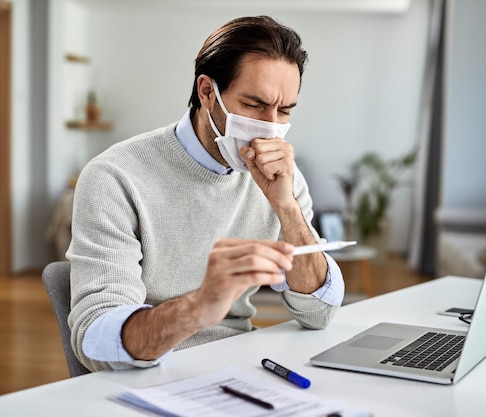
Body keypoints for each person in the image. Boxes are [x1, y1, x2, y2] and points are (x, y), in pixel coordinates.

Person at [67, 15, 345, 372]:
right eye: (254, 105)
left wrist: (287, 207)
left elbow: (319, 312)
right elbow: (95, 341)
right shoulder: (114, 177)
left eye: (285, 110)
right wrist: (200, 306)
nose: (271, 127)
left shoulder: (282, 179)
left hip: (240, 368)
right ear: (207, 91)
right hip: (146, 376)